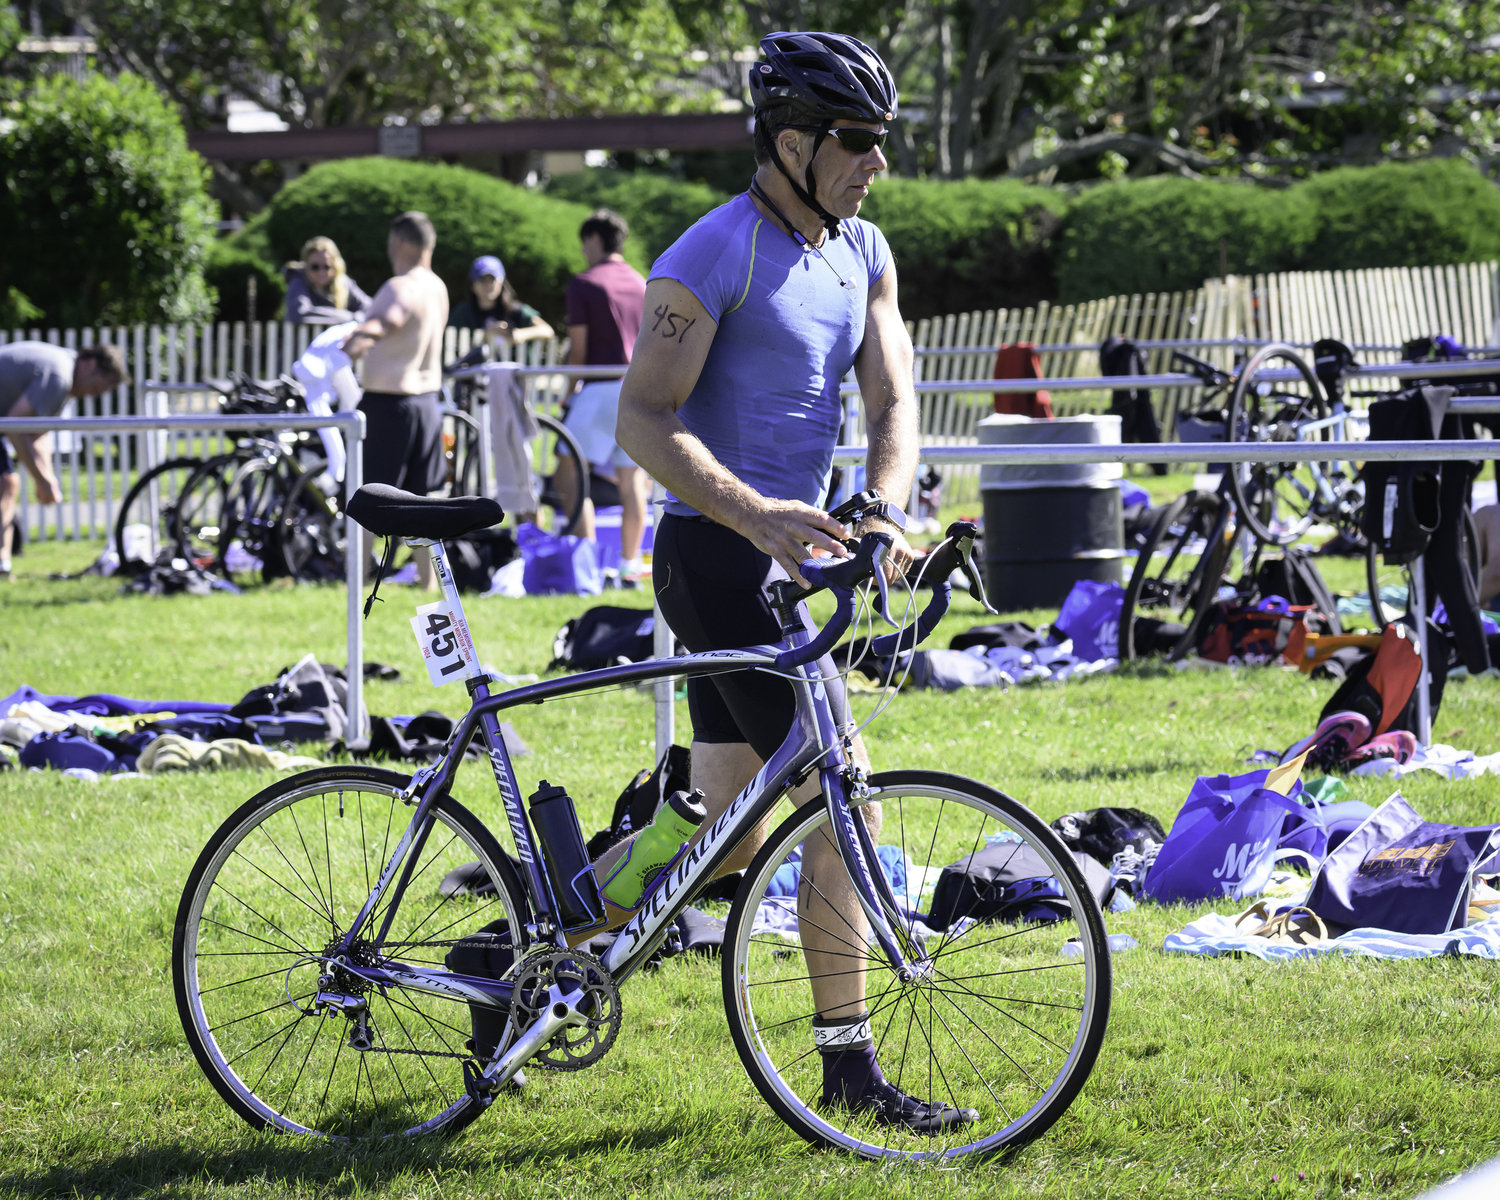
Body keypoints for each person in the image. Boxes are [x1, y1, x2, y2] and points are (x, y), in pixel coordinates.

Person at [611, 33, 971, 1134]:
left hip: (790, 564)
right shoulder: (713, 254)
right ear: (791, 141)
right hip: (718, 557)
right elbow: (641, 419)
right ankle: (849, 1072)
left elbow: (894, 405)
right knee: (839, 797)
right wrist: (759, 514)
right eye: (857, 142)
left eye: (881, 142)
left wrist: (885, 505)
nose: (876, 163)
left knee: (719, 823)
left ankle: (535, 938)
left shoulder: (864, 250)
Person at [341, 211, 450, 591]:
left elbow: (387, 320)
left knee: (368, 495)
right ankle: (427, 583)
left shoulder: (401, 286)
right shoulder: (437, 286)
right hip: (426, 405)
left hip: (390, 405)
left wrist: (353, 343)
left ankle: (357, 578)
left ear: (400, 243)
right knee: (420, 500)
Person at [551, 208, 649, 579]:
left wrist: (566, 392)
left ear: (593, 240)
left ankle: (587, 564)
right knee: (632, 481)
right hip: (636, 388)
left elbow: (578, 351)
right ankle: (628, 567)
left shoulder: (585, 283)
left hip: (599, 388)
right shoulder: (642, 281)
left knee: (569, 474)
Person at [0, 342, 126, 579]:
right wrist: (40, 479)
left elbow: (37, 432)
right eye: (97, 388)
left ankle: (2, 564)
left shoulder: (62, 372)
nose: (92, 395)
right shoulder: (58, 375)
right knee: (5, 485)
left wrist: (48, 479)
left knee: (6, 485)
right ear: (90, 365)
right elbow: (15, 425)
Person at [448, 255, 555, 351]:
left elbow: (547, 330)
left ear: (501, 282)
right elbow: (451, 341)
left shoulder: (515, 309)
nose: (488, 285)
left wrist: (519, 334)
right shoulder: (464, 312)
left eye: (492, 279)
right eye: (482, 280)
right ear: (472, 284)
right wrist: (485, 335)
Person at [283, 236, 372, 325]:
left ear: (335, 266)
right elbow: (299, 314)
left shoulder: (342, 282)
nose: (321, 272)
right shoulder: (298, 280)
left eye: (326, 267)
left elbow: (370, 307)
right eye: (315, 267)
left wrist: (355, 317)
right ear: (306, 266)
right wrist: (349, 317)